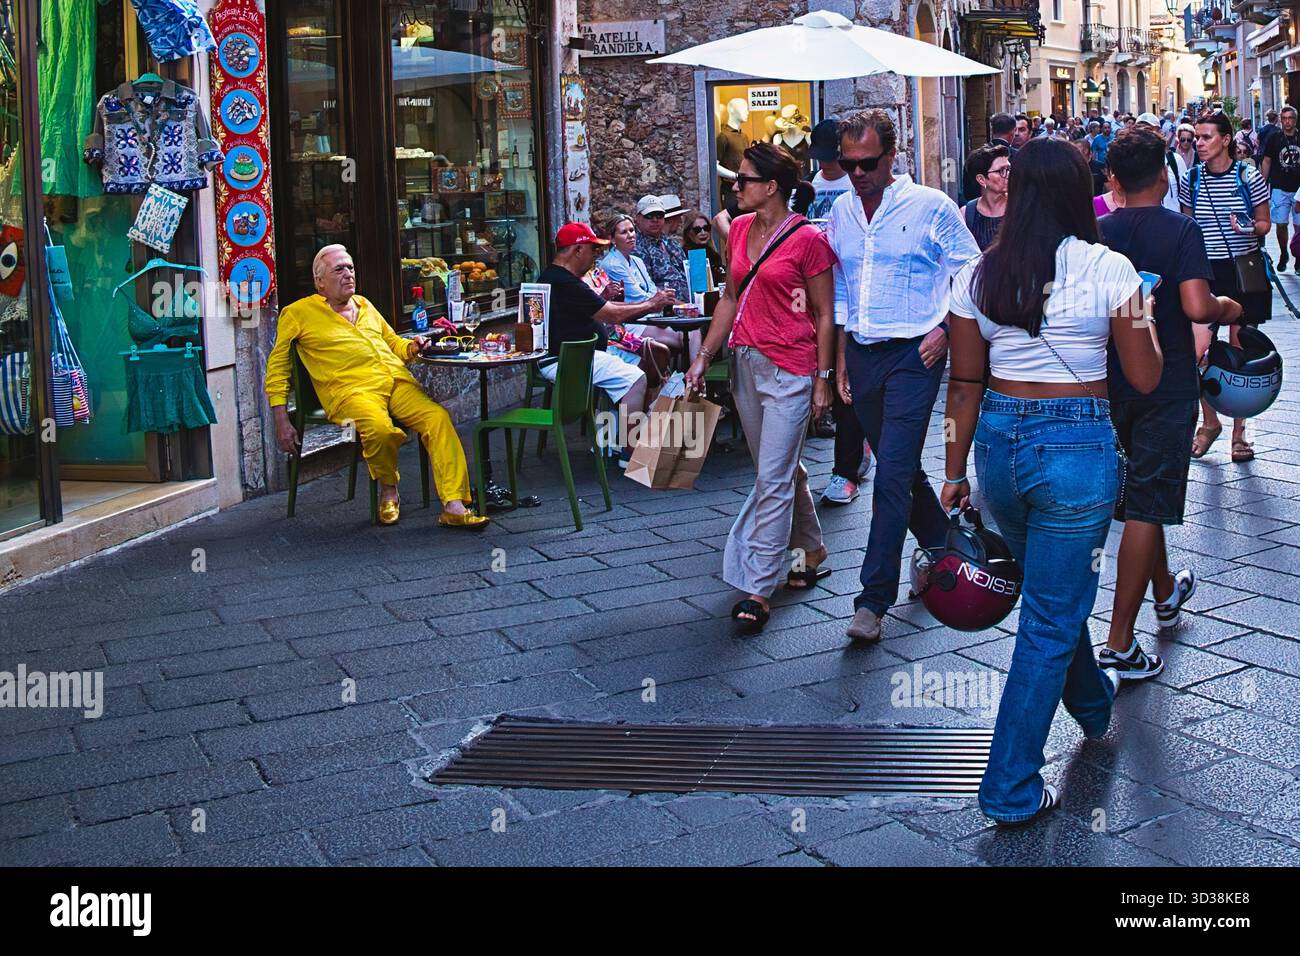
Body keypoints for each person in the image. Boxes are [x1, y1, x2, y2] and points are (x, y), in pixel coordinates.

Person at [941, 137, 1164, 825]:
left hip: (1000, 444)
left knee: (1051, 596)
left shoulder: (980, 274)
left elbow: (964, 383)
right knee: (1049, 617)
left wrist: (952, 472)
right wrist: (1142, 314)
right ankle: (1008, 787)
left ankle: (1093, 705)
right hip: (1075, 445)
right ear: (1078, 190)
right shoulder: (1110, 268)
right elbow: (1148, 374)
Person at [824, 108, 981, 643]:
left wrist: (943, 327)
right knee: (902, 469)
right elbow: (842, 285)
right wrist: (841, 354)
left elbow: (972, 268)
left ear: (892, 156)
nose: (858, 173)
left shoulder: (930, 206)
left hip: (916, 355)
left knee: (889, 475)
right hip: (863, 354)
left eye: (868, 162)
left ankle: (872, 601)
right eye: (848, 164)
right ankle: (947, 552)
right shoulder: (841, 211)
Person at [1099, 126, 1244, 683]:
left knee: (1143, 490)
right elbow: (1196, 304)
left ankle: (1164, 594)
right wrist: (1229, 308)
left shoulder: (1097, 230)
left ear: (1112, 180)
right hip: (1167, 379)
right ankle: (1118, 643)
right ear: (1165, 175)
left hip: (1109, 377)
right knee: (1148, 502)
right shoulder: (1182, 229)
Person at [684, 143, 835, 634]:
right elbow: (730, 297)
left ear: (771, 187)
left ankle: (758, 586)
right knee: (780, 470)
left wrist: (823, 379)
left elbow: (825, 314)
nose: (735, 187)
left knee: (770, 479)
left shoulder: (809, 239)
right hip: (746, 362)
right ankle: (811, 548)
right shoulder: (741, 230)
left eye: (743, 180)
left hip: (792, 368)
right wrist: (703, 357)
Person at [265, 245, 488, 529]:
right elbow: (278, 367)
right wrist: (281, 419)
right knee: (380, 430)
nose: (348, 274)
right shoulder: (297, 313)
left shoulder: (364, 304)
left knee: (438, 419)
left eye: (351, 268)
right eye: (339, 269)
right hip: (351, 391)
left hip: (395, 380)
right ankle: (388, 487)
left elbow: (393, 342)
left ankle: (454, 504)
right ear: (319, 281)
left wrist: (412, 347)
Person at [538, 222, 676, 465]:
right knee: (634, 378)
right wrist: (652, 304)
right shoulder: (565, 282)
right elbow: (611, 314)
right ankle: (631, 453)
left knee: (645, 364)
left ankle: (618, 434)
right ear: (578, 250)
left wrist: (649, 303)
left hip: (581, 354)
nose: (595, 257)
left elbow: (606, 308)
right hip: (569, 359)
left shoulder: (562, 278)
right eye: (592, 250)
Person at [1180, 111, 1271, 462]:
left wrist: (1248, 228)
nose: (1198, 143)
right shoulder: (1192, 179)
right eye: (1196, 138)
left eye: (1205, 137)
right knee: (1200, 349)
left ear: (1226, 139)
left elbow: (1263, 222)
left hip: (1241, 270)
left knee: (1238, 352)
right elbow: (1187, 225)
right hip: (1204, 270)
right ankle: (1210, 422)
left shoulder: (1248, 176)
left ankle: (1239, 433)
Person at [1259, 105, 1300, 272]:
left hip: (1298, 189)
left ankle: (1299, 257)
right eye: (1284, 118)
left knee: (1299, 226)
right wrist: (1262, 182)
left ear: (1295, 120)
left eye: (1290, 118)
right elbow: (1267, 160)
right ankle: (1284, 252)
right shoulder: (1274, 138)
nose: (1287, 122)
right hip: (1279, 187)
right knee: (1281, 224)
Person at [632, 194, 690, 300]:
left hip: (688, 308)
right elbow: (646, 289)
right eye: (649, 215)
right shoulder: (636, 248)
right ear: (638, 218)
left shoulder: (673, 244)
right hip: (662, 310)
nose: (655, 220)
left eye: (659, 215)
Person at [963, 143, 1009, 251]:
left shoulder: (1020, 207)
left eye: (1009, 169)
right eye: (1001, 171)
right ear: (981, 179)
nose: (1008, 174)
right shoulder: (967, 214)